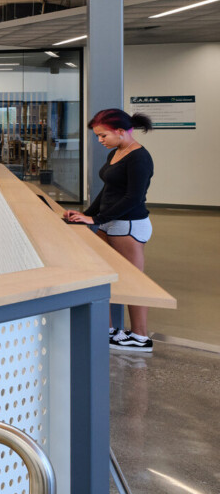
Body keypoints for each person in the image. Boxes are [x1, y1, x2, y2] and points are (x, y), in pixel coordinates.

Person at [63, 109, 156, 353]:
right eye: (97, 136)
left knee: (133, 281)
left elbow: (133, 198)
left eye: (103, 135)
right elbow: (108, 190)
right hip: (109, 222)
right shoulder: (116, 152)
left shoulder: (139, 157)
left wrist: (96, 218)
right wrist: (85, 215)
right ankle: (109, 329)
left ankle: (140, 337)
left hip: (128, 224)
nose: (100, 140)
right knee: (103, 275)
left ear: (121, 131)